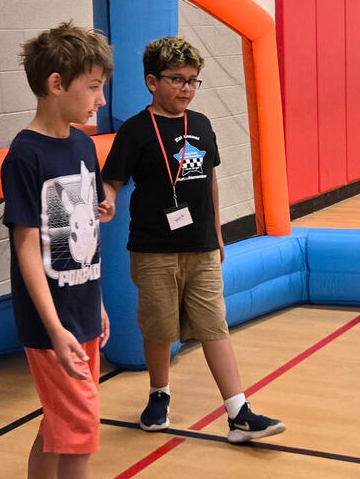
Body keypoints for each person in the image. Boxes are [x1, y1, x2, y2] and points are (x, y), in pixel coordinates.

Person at [101, 35, 285, 444]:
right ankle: (159, 394)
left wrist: (216, 234)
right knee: (159, 327)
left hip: (201, 247)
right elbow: (113, 179)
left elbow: (210, 181)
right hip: (153, 250)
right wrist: (108, 199)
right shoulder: (135, 131)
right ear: (152, 82)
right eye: (177, 79)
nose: (186, 89)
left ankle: (238, 412)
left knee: (213, 324)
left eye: (192, 81)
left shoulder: (200, 124)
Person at [0, 21, 117, 479]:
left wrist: (97, 305)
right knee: (79, 430)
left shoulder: (82, 147)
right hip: (52, 326)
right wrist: (54, 327)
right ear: (55, 84)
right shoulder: (25, 155)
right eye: (92, 87)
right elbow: (26, 246)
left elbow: (84, 234)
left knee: (59, 425)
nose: (100, 99)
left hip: (82, 311)